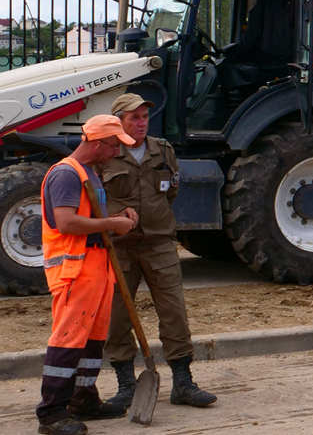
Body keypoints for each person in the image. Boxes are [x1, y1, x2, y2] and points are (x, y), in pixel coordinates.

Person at [101, 94, 216, 413]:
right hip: (120, 249)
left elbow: (172, 190)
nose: (141, 123)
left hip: (160, 244)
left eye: (144, 117)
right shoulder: (107, 153)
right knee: (118, 317)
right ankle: (125, 385)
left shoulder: (162, 150)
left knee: (174, 313)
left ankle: (183, 382)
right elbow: (95, 196)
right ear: (118, 121)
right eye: (133, 117)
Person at [37, 115, 138, 435]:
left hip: (97, 268)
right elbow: (67, 223)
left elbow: (88, 218)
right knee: (68, 340)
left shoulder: (90, 174)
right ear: (96, 143)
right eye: (114, 146)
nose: (116, 153)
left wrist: (116, 217)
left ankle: (83, 399)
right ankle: (52, 412)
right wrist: (111, 224)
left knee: (93, 340)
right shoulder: (66, 174)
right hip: (74, 271)